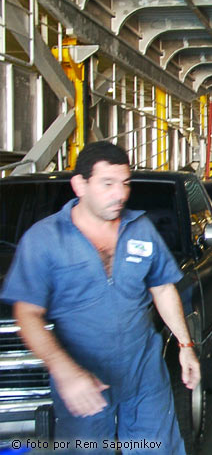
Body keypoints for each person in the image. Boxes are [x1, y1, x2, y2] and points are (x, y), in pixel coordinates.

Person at [1, 141, 199, 453]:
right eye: (107, 184)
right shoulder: (45, 239)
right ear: (80, 184)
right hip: (83, 378)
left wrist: (185, 346)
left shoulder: (141, 229)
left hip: (143, 371)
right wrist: (65, 371)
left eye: (124, 183)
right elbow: (27, 314)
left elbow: (162, 287)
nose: (119, 194)